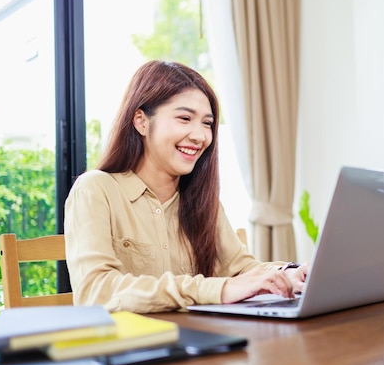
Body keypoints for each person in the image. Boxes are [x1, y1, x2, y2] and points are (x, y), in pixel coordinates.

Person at [64, 60, 307, 313]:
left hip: (199, 341)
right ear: (141, 121)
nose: (200, 136)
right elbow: (96, 291)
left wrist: (290, 275)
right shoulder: (95, 190)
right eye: (184, 118)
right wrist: (216, 290)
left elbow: (241, 268)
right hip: (128, 346)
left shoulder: (202, 201)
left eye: (207, 123)